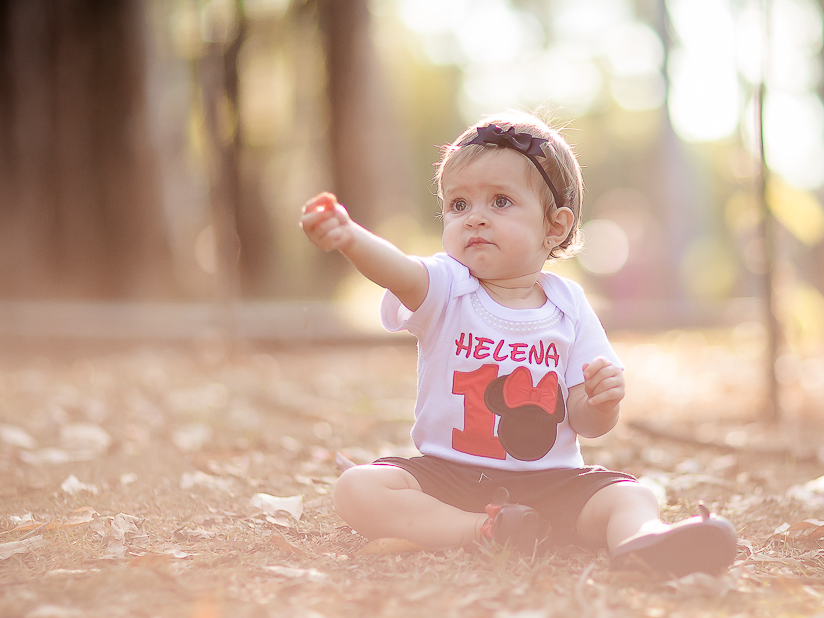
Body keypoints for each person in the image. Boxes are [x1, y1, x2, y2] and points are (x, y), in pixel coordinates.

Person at [299, 112, 736, 578]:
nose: (475, 218)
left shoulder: (569, 306)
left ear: (554, 227)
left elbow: (588, 423)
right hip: (450, 479)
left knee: (631, 494)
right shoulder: (447, 287)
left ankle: (641, 541)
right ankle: (484, 530)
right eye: (459, 204)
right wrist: (351, 238)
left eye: (500, 201)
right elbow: (399, 272)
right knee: (357, 488)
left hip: (552, 484)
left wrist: (601, 402)